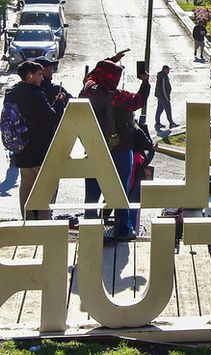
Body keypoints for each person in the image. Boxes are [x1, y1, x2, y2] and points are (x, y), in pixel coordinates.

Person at [80, 50, 150, 241]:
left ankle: (89, 226)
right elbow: (138, 100)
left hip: (93, 148)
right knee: (120, 190)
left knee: (92, 192)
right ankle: (124, 228)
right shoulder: (118, 97)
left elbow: (92, 75)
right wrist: (145, 82)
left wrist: (111, 60)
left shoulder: (88, 90)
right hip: (119, 149)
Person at [3, 61, 65, 220]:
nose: (42, 78)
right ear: (30, 76)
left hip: (21, 147)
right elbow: (51, 118)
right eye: (39, 75)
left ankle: (27, 218)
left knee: (26, 184)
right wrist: (59, 103)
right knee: (46, 184)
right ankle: (43, 221)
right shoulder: (35, 94)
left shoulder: (12, 93)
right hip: (40, 147)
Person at [154, 65, 177, 129]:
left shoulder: (162, 75)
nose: (169, 71)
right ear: (165, 69)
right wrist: (166, 98)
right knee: (168, 109)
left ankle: (157, 123)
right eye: (168, 70)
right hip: (163, 97)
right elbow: (163, 88)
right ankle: (171, 123)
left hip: (160, 96)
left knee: (159, 109)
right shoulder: (163, 76)